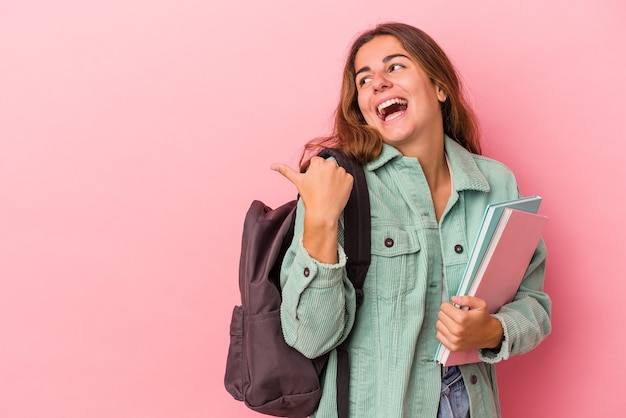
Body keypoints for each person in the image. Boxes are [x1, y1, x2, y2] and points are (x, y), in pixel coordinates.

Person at [270, 22, 551, 418]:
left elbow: (534, 305)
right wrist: (320, 218)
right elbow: (310, 338)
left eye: (395, 67)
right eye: (363, 79)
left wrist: (491, 332)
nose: (377, 84)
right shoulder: (338, 183)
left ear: (440, 88)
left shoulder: (497, 182)